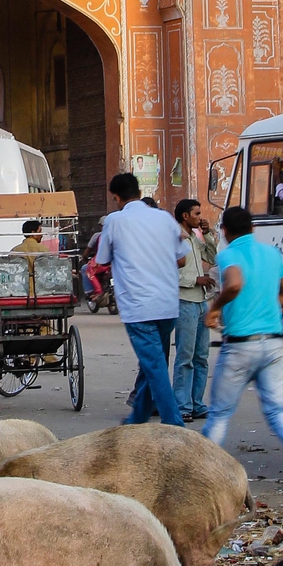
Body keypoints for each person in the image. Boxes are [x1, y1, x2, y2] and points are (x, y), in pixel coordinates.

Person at [202, 207, 283, 495]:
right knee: (277, 408)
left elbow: (233, 284)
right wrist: (267, 305)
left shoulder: (229, 253)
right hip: (274, 344)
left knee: (220, 413)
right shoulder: (272, 254)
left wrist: (215, 308)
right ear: (253, 228)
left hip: (241, 346)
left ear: (225, 232)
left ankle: (202, 470)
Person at [96, 172, 189, 427]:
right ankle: (137, 419)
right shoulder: (165, 218)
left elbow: (102, 260)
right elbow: (182, 255)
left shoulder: (115, 221)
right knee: (155, 364)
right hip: (168, 302)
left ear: (116, 197)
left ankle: (174, 423)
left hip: (138, 305)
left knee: (155, 367)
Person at [172, 198, 214, 421]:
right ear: (185, 216)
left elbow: (211, 257)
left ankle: (198, 403)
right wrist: (194, 280)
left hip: (201, 302)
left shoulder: (194, 239)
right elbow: (169, 271)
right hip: (185, 301)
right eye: (196, 214)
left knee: (201, 356)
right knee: (185, 356)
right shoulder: (175, 239)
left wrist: (207, 234)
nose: (200, 217)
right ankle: (183, 405)